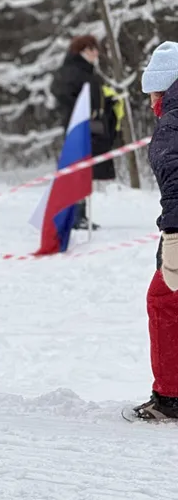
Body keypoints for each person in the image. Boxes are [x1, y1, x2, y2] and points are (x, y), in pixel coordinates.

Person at [128, 41, 178, 421]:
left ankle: (170, 397)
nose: (150, 104)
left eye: (152, 94)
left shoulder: (171, 126)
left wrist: (173, 237)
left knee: (163, 301)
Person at [50, 34, 123, 230]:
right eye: (90, 49)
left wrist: (108, 103)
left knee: (84, 171)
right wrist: (81, 110)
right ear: (80, 51)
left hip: (90, 128)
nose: (95, 53)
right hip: (77, 127)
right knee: (77, 171)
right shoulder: (72, 72)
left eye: (95, 49)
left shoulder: (88, 73)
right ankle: (73, 215)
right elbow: (62, 94)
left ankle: (79, 214)